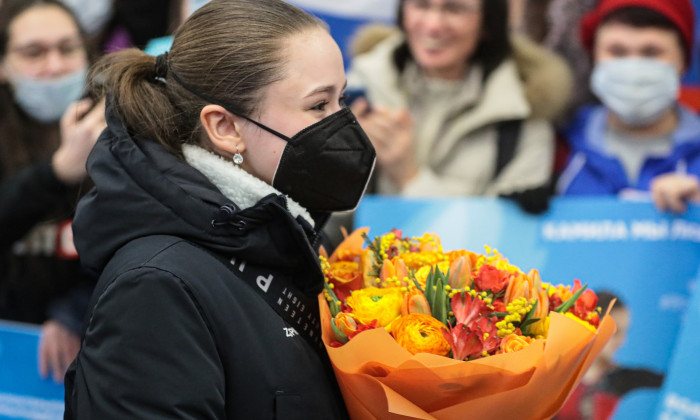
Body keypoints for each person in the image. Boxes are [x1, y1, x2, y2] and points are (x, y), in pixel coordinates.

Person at [64, 0, 375, 417]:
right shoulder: (155, 289)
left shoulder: (285, 231)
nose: (342, 123)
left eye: (341, 98)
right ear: (225, 128)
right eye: (318, 105)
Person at [345, 0, 570, 203]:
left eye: (454, 8)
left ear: (488, 23)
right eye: (421, 5)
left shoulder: (524, 116)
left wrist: (409, 177)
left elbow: (501, 239)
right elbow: (325, 230)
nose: (433, 25)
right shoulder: (356, 88)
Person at [0, 0, 105, 383]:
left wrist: (75, 311)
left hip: (89, 340)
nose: (55, 65)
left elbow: (139, 239)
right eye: (33, 53)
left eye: (68, 48)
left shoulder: (120, 130)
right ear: (3, 66)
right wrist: (58, 172)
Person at [556, 0, 700, 214]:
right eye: (617, 51)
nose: (633, 66)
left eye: (651, 52)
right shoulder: (556, 147)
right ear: (594, 58)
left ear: (683, 63)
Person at [555, 292, 664, 420]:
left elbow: (674, 382)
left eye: (625, 331)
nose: (622, 340)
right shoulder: (556, 371)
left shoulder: (622, 378)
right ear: (591, 324)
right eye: (615, 331)